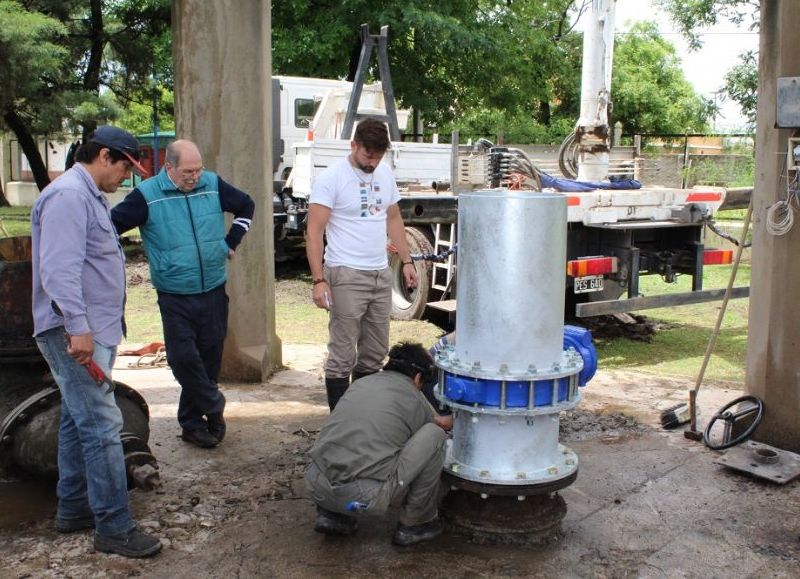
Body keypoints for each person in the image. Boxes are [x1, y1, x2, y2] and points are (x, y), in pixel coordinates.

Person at [31, 125, 162, 558]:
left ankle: (73, 507)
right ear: (104, 156)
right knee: (104, 427)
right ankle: (114, 526)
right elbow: (59, 271)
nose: (127, 176)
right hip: (75, 330)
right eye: (125, 166)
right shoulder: (69, 196)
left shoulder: (86, 195)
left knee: (77, 418)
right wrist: (78, 328)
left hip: (90, 327)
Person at [111, 140, 254, 449]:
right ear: (169, 168)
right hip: (175, 293)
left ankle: (194, 423)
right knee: (183, 358)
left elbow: (246, 205)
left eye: (198, 169)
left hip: (214, 287)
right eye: (188, 171)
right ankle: (214, 405)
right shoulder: (147, 196)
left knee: (209, 358)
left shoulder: (212, 184)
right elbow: (108, 227)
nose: (195, 176)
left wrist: (231, 240)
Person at [306, 117, 417, 410]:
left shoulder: (385, 173)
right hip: (345, 272)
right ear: (354, 145)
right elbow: (314, 232)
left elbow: (393, 218)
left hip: (380, 272)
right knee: (342, 353)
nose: (373, 162)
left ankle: (361, 416)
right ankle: (340, 423)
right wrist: (319, 280)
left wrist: (406, 261)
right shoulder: (331, 178)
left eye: (379, 157)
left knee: (375, 352)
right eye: (368, 155)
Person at [305, 342, 448, 546]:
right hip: (363, 499)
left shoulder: (360, 385)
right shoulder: (414, 399)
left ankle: (332, 514)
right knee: (435, 436)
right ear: (417, 378)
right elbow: (423, 437)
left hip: (317, 487)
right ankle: (416, 522)